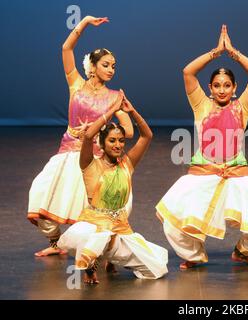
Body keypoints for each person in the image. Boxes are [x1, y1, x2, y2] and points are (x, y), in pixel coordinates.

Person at [155, 25, 248, 270]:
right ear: (210, 88)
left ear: (234, 88)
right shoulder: (201, 104)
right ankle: (193, 255)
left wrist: (232, 52)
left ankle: (242, 251)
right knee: (173, 217)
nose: (222, 89)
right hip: (204, 171)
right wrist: (215, 52)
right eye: (217, 85)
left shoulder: (242, 106)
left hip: (236, 171)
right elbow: (188, 72)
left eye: (227, 85)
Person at [28, 16, 134, 257]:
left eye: (114, 66)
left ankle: (97, 253)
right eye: (106, 64)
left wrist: (115, 115)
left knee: (93, 209)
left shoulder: (115, 96)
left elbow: (128, 132)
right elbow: (66, 48)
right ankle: (56, 244)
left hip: (93, 159)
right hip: (67, 152)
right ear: (93, 66)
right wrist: (84, 22)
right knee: (40, 196)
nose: (111, 70)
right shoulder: (76, 84)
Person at [58, 92, 168, 284]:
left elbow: (147, 136)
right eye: (112, 140)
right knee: (96, 240)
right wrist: (111, 109)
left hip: (120, 227)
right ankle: (91, 265)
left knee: (156, 269)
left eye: (121, 140)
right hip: (94, 227)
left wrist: (131, 111)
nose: (118, 145)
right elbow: (89, 135)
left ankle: (113, 256)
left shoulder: (127, 163)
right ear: (101, 143)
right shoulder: (90, 164)